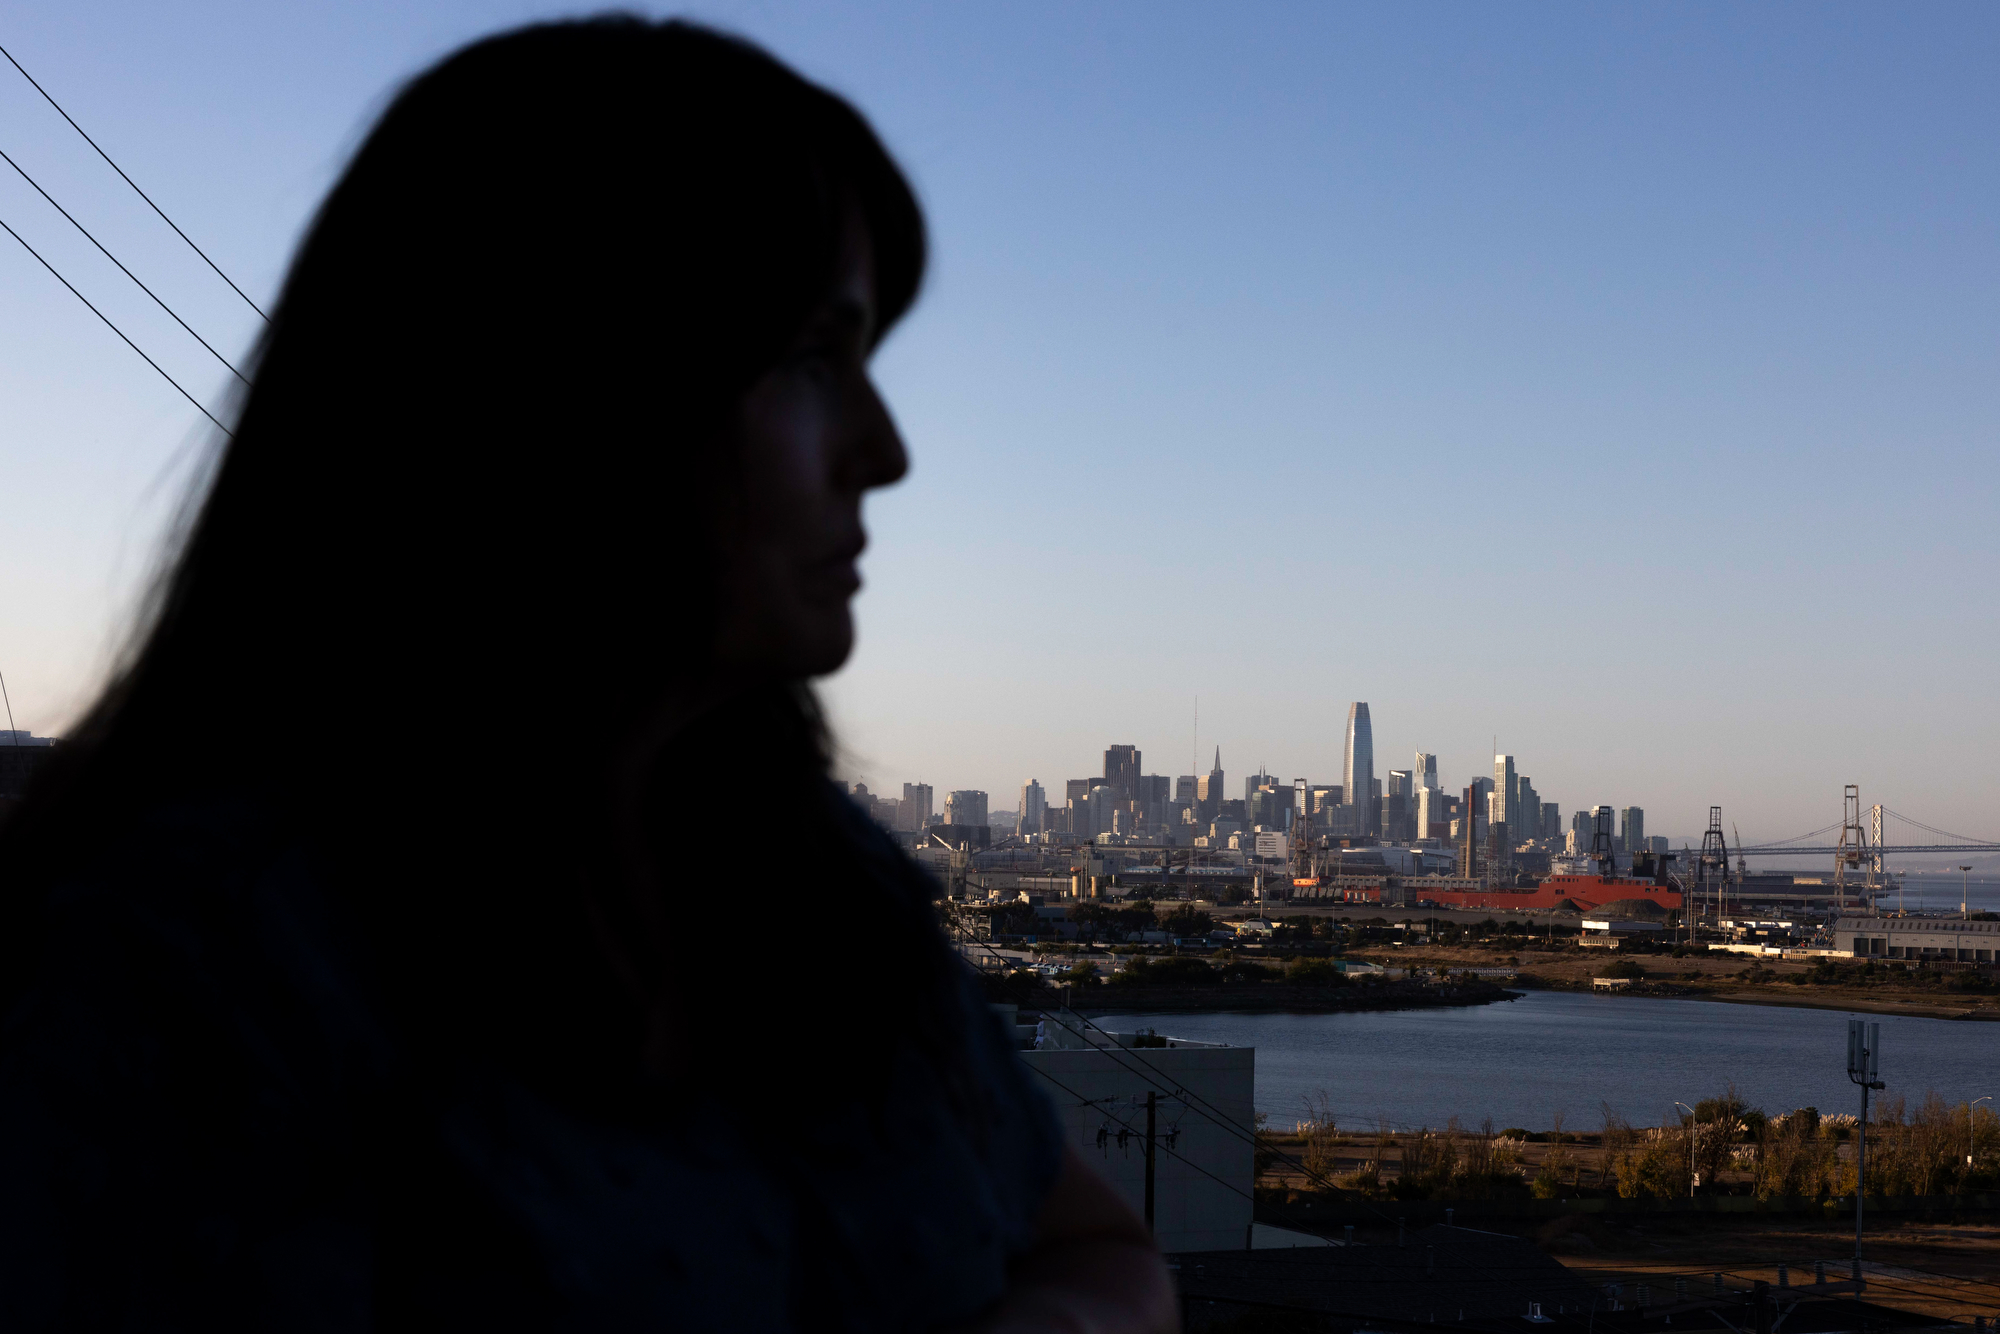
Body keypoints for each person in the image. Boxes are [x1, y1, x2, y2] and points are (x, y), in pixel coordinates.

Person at [0, 19, 1175, 1332]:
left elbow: (1101, 1246)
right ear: (586, 384)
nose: (885, 448)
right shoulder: (191, 976)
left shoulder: (815, 881)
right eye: (812, 359)